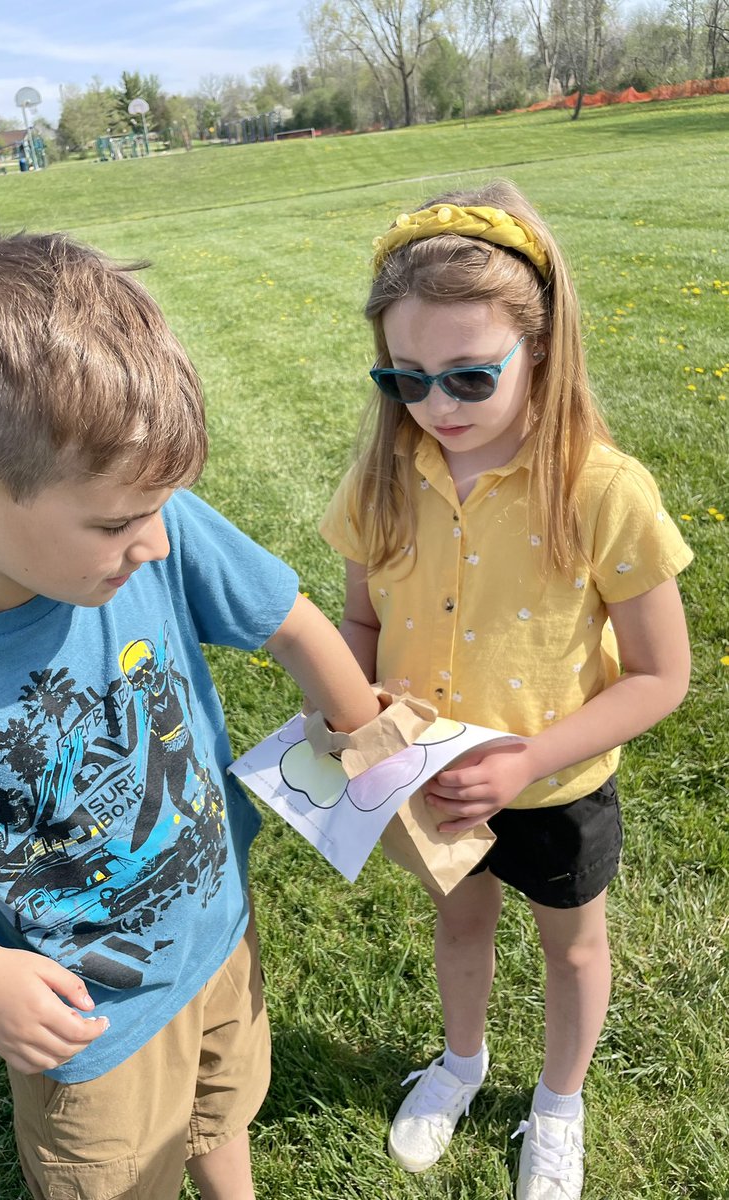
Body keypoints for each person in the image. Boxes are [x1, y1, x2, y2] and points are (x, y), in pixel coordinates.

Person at [0, 230, 382, 1200]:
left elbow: (291, 624)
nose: (158, 543)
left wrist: (361, 736)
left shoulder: (157, 528)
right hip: (88, 1029)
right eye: (119, 523)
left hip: (220, 936)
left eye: (162, 508)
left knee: (225, 1103)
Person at [320, 180, 692, 1199]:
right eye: (406, 378)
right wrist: (353, 705)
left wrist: (532, 756)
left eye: (471, 377)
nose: (436, 406)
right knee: (460, 924)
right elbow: (359, 622)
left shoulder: (600, 487)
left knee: (573, 951)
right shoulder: (383, 479)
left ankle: (559, 1105)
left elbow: (664, 674)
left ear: (541, 348)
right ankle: (463, 1062)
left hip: (556, 787)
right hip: (429, 783)